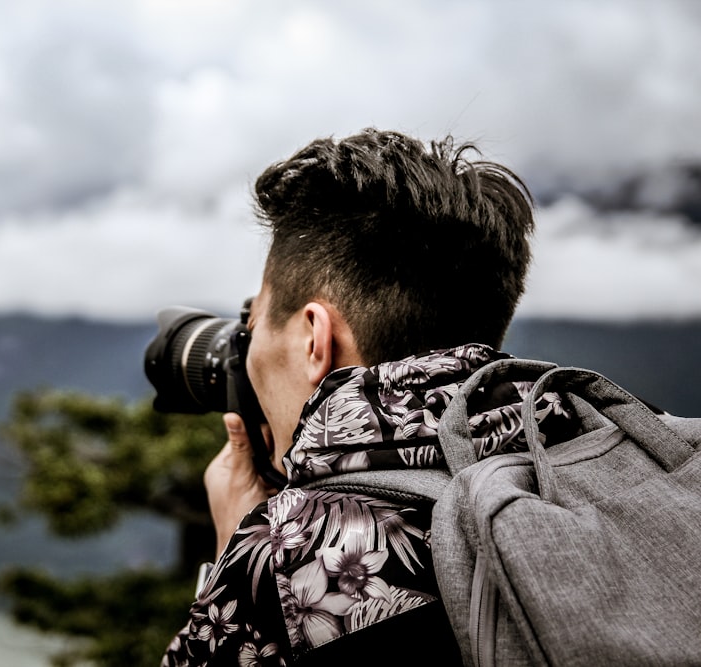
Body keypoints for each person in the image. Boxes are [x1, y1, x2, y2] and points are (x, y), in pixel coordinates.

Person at [160, 127, 576, 666]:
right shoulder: (601, 440)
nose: (247, 347)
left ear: (315, 338)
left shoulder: (290, 560)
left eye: (255, 322)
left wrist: (236, 554)